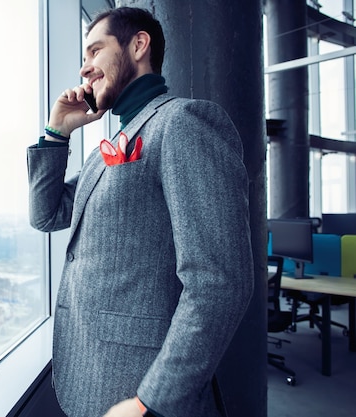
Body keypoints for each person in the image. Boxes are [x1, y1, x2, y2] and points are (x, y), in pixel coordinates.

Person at [27, 6, 254, 417]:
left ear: (138, 44)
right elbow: (47, 215)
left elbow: (218, 282)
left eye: (94, 51)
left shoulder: (183, 123)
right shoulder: (106, 150)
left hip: (140, 390)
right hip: (92, 374)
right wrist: (56, 132)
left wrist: (152, 400)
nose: (84, 69)